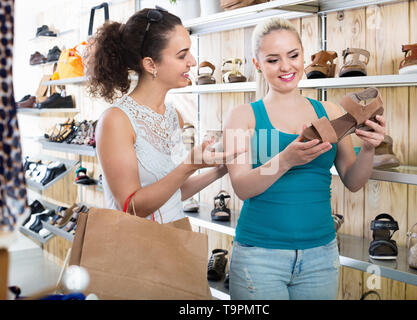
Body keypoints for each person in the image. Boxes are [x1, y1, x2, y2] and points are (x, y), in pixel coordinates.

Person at [223, 17, 386, 300]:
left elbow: (353, 180)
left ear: (303, 55)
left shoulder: (331, 111)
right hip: (259, 256)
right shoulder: (241, 116)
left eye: (293, 56)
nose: (286, 67)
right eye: (273, 60)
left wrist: (370, 149)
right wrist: (285, 160)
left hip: (320, 256)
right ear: (258, 64)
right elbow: (240, 187)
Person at [86, 7, 240, 222]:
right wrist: (188, 166)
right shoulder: (116, 121)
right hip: (135, 249)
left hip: (172, 241)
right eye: (182, 55)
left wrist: (222, 168)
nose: (193, 62)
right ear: (150, 64)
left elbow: (173, 194)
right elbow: (131, 207)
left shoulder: (172, 116)